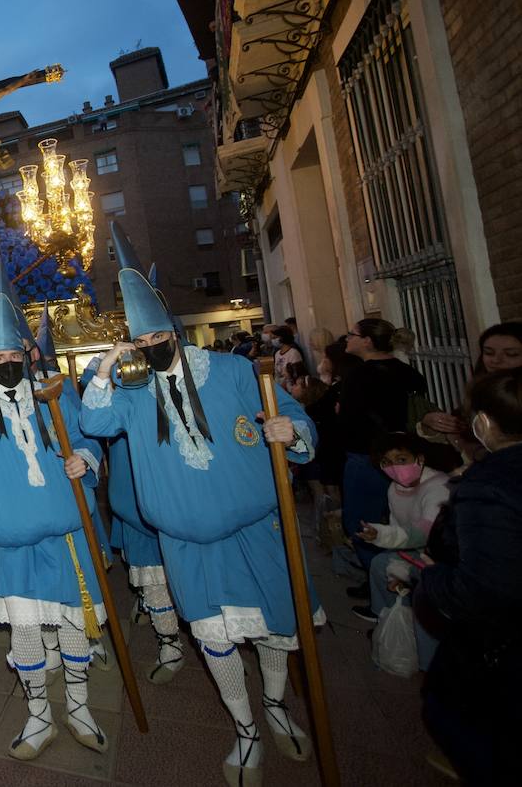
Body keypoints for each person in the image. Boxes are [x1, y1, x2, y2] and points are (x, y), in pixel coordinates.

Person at [81, 223, 320, 787]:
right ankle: (246, 729)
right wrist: (108, 366)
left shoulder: (237, 372)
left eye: (154, 337)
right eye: (138, 342)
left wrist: (292, 430)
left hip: (257, 531)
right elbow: (92, 421)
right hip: (183, 544)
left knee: (271, 630)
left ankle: (278, 705)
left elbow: (299, 420)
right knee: (214, 636)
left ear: (175, 330)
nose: (148, 348)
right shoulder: (132, 395)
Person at [0, 257, 108, 761]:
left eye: (13, 353)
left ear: (28, 354)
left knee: (73, 622)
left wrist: (84, 459)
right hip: (9, 544)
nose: (6, 363)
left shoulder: (55, 397)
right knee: (27, 630)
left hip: (66, 538)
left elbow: (88, 443)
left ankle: (78, 705)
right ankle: (39, 713)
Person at [416, 367, 522, 784]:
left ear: (483, 423)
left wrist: (432, 578)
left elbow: (483, 588)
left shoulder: (491, 483)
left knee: (465, 726)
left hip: (503, 647)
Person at [338, 318, 428, 588]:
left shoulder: (359, 375)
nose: (347, 339)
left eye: (351, 334)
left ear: (367, 341)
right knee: (397, 519)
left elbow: (348, 417)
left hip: (368, 456)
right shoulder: (407, 372)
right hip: (404, 457)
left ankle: (380, 583)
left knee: (362, 522)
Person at [351, 433, 449, 666]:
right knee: (380, 565)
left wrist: (381, 535)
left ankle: (429, 663)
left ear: (420, 458)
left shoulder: (438, 486)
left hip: (442, 557)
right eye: (387, 462)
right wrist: (395, 563)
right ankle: (386, 618)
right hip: (415, 550)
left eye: (402, 459)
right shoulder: (395, 489)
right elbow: (398, 528)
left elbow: (424, 533)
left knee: (422, 586)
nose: (396, 468)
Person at [417, 321, 522, 466]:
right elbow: (459, 428)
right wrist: (430, 425)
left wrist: (470, 449)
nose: (496, 360)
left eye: (511, 354)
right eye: (489, 353)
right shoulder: (480, 389)